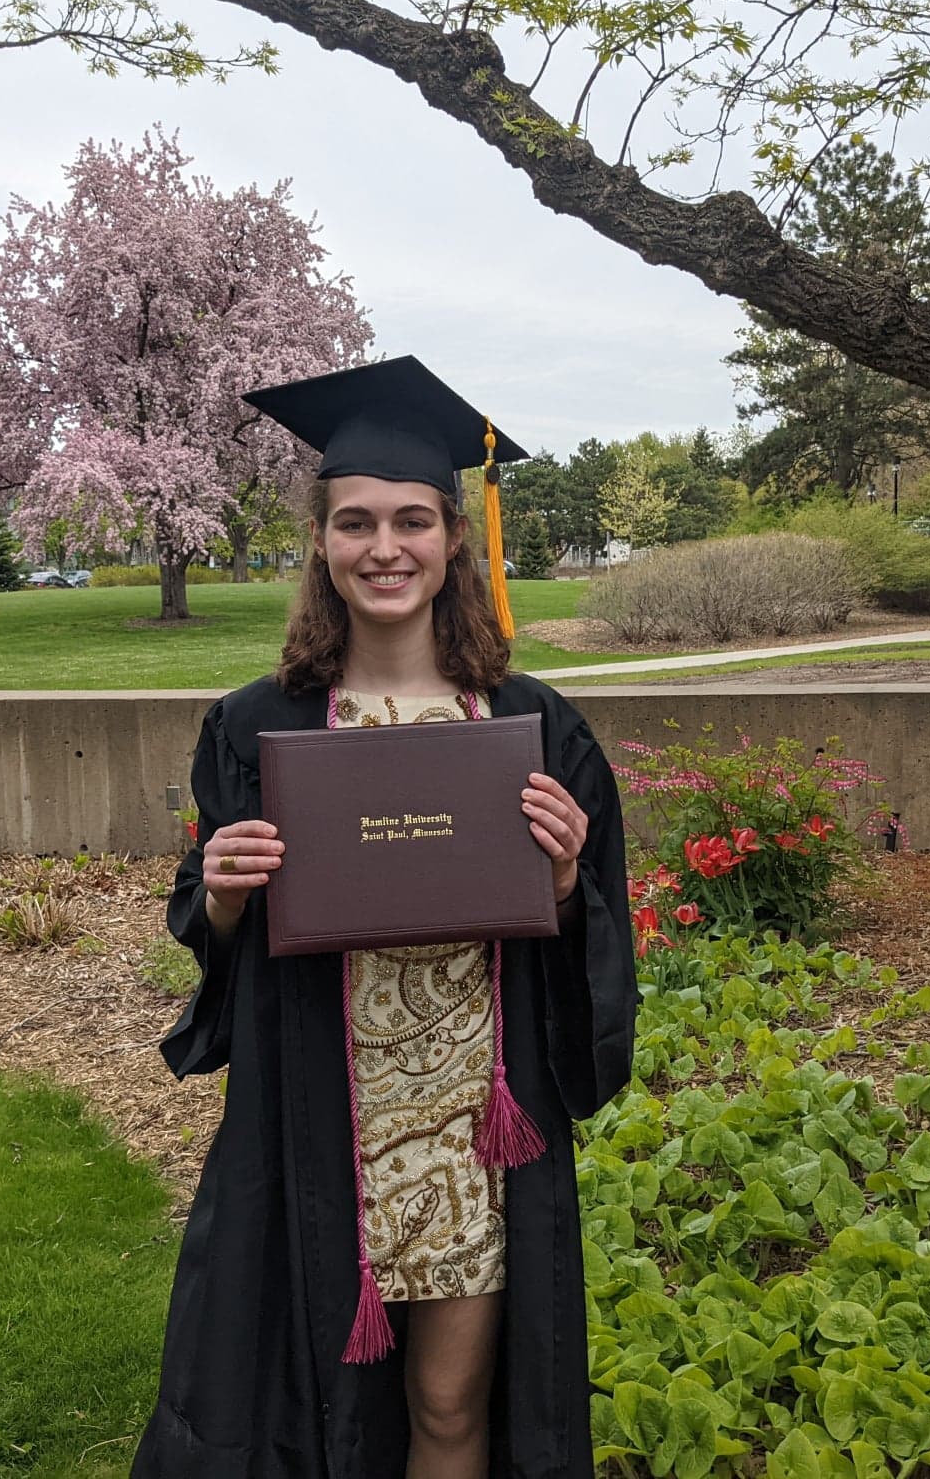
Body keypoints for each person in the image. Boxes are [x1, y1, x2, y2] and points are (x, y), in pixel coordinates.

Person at [131, 357, 637, 1479]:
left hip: (475, 1130)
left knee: (452, 1409)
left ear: (456, 538)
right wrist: (219, 890)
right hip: (319, 1116)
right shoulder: (253, 728)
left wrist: (562, 882)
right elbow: (207, 932)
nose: (385, 547)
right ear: (320, 542)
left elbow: (597, 934)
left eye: (413, 520)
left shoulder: (536, 727)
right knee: (314, 1409)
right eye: (355, 522)